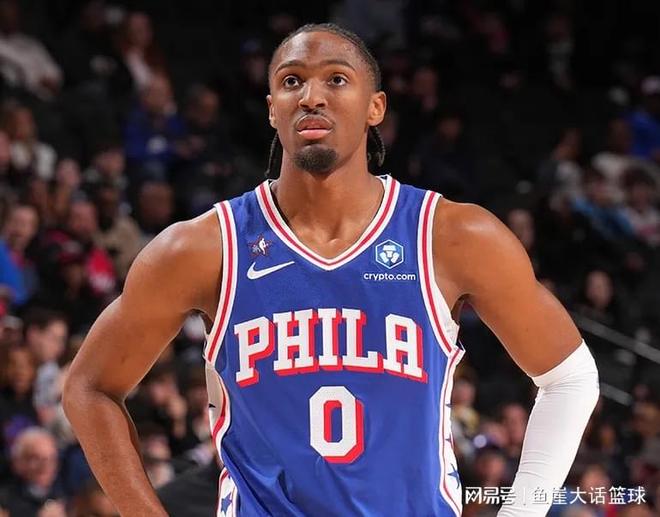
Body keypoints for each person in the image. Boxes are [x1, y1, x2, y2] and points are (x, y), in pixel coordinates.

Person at [63, 23, 599, 516]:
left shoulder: (452, 236)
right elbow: (90, 387)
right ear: (272, 109)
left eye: (336, 79)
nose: (311, 96)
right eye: (291, 81)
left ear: (375, 107)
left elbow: (570, 378)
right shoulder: (204, 247)